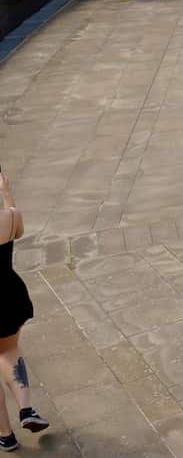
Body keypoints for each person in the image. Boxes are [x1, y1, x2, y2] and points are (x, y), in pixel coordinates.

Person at [0, 167, 50, 452]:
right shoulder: (10, 218)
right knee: (7, 351)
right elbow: (19, 230)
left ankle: (5, 435)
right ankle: (26, 408)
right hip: (7, 294)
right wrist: (7, 195)